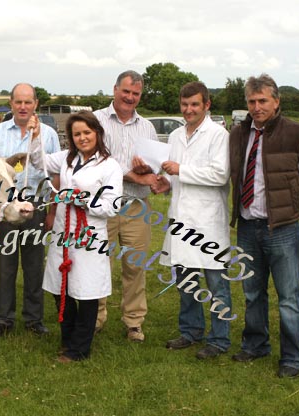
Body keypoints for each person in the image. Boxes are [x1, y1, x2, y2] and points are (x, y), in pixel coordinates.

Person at [229, 74, 299, 378]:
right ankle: (256, 345)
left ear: (276, 101)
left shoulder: (296, 134)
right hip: (247, 227)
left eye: (262, 100)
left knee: (289, 297)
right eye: (252, 101)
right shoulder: (239, 134)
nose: (256, 107)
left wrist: (296, 215)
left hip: (281, 229)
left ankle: (292, 357)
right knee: (253, 293)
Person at [27, 111, 122, 361]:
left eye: (87, 133)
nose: (82, 138)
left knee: (87, 291)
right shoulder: (67, 158)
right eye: (77, 134)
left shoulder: (110, 166)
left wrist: (84, 200)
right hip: (63, 233)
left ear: (97, 133)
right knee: (61, 288)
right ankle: (68, 339)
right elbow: (39, 162)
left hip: (89, 236)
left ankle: (80, 348)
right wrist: (36, 136)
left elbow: (112, 206)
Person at [0, 82, 61, 338]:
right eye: (18, 102)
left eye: (28, 102)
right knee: (5, 266)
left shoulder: (48, 134)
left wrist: (51, 212)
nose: (23, 107)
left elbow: (56, 174)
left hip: (36, 204)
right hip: (6, 208)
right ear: (11, 103)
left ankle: (33, 318)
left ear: (36, 104)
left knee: (34, 265)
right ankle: (3, 318)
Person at [159, 82, 232, 359]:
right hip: (181, 218)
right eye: (185, 104)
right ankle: (190, 331)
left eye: (195, 105)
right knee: (186, 280)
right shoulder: (176, 135)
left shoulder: (218, 135)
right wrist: (163, 182)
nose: (188, 110)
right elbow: (172, 174)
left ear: (207, 105)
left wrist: (180, 170)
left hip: (208, 221)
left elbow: (219, 175)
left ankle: (219, 339)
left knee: (216, 284)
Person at [93, 70, 163, 342]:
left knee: (135, 266)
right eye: (126, 92)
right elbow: (97, 159)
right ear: (114, 90)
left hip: (136, 205)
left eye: (135, 94)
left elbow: (154, 163)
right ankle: (96, 317)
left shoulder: (147, 127)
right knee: (100, 263)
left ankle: (134, 322)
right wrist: (130, 173)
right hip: (103, 205)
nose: (130, 98)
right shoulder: (97, 120)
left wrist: (148, 170)